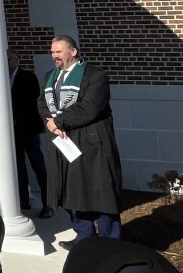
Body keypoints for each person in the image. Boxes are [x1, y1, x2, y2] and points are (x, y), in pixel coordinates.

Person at [38, 35, 123, 250]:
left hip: (91, 141)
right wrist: (53, 124)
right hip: (63, 140)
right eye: (52, 52)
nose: (54, 56)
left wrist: (59, 122)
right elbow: (42, 103)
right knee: (71, 191)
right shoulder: (50, 77)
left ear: (73, 51)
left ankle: (109, 242)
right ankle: (83, 237)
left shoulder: (95, 75)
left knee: (100, 192)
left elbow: (91, 107)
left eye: (58, 51)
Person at [8, 47, 53, 218]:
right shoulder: (0, 79)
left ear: (16, 60)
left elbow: (31, 100)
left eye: (8, 59)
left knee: (38, 165)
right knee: (18, 166)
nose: (5, 63)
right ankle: (23, 199)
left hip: (28, 129)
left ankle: (48, 203)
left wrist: (16, 117)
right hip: (11, 132)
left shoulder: (28, 77)